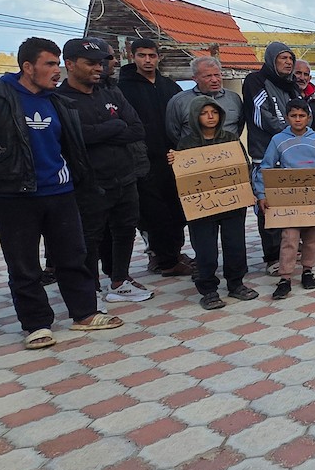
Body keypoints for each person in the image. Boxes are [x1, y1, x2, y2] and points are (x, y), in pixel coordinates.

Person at [0, 37, 122, 349]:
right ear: (27, 66)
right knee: (23, 264)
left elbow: (70, 146)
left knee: (73, 256)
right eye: (50, 64)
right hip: (13, 197)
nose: (57, 71)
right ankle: (36, 324)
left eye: (58, 63)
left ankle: (85, 314)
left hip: (61, 193)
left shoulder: (57, 101)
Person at [56, 38, 152, 305]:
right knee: (90, 238)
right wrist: (113, 128)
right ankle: (90, 289)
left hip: (125, 175)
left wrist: (98, 134)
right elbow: (71, 139)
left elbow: (136, 129)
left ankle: (119, 280)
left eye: (101, 62)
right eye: (91, 63)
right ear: (70, 64)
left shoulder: (111, 93)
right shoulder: (60, 100)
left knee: (125, 229)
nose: (98, 68)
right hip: (89, 183)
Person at [168, 99, 258, 309]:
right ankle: (208, 290)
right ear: (194, 117)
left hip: (232, 203)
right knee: (205, 250)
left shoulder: (230, 138)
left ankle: (236, 284)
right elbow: (183, 178)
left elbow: (243, 166)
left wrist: (248, 192)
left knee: (235, 246)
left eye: (214, 112)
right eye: (204, 113)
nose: (210, 117)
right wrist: (175, 161)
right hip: (202, 207)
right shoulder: (186, 144)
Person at [253, 99, 315, 299]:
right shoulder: (278, 140)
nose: (298, 119)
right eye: (294, 116)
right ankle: (285, 278)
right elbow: (265, 168)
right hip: (289, 199)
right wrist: (262, 194)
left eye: (302, 116)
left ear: (309, 118)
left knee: (312, 237)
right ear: (287, 117)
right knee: (289, 238)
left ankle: (308, 271)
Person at [117, 39, 190, 276]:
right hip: (143, 160)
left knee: (177, 210)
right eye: (142, 55)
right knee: (153, 213)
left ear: (159, 57)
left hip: (172, 158)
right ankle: (162, 258)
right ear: (132, 56)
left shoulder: (169, 86)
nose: (147, 60)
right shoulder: (123, 88)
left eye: (152, 55)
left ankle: (174, 253)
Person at [243, 40, 300, 273]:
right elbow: (261, 115)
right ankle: (271, 257)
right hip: (265, 154)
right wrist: (290, 133)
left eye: (290, 58)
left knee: (288, 203)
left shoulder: (291, 85)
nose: (287, 62)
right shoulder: (255, 81)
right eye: (283, 58)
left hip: (290, 155)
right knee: (267, 205)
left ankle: (288, 250)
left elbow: (301, 113)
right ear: (271, 59)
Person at [166, 56, 243, 146]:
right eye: (208, 76)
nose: (214, 80)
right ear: (195, 79)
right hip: (195, 156)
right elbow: (173, 134)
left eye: (217, 75)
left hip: (230, 155)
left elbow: (240, 126)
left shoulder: (234, 98)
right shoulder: (179, 101)